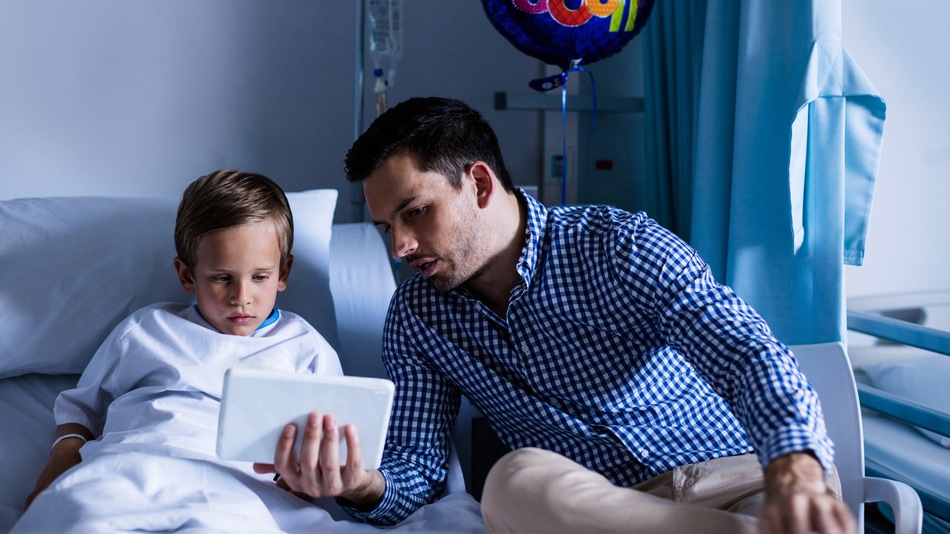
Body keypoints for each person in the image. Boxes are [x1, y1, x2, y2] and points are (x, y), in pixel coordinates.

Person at [258, 97, 855, 534]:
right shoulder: (417, 318)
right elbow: (416, 469)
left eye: (415, 213)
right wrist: (359, 483)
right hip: (595, 511)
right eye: (388, 227)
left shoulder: (619, 248)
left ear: (481, 185)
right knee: (512, 482)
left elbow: (748, 356)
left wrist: (794, 471)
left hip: (737, 481)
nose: (400, 248)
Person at [16, 170, 343, 531]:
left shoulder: (303, 347)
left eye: (260, 277)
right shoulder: (148, 329)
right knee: (83, 519)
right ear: (187, 275)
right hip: (130, 465)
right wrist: (56, 473)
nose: (241, 297)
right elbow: (81, 409)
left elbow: (326, 450)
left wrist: (299, 485)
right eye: (222, 278)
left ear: (284, 272)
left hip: (238, 487)